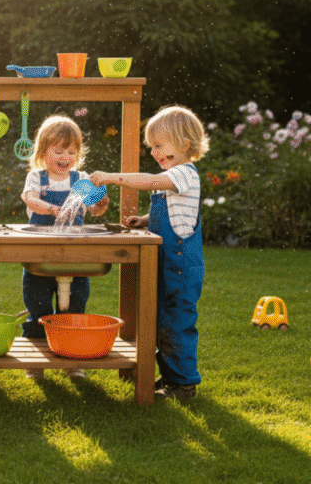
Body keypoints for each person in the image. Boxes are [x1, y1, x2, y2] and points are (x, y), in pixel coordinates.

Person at [89, 105, 209, 401]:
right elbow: (174, 210)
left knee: (177, 323)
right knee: (162, 321)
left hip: (181, 267)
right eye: (152, 147)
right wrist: (144, 220)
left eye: (159, 146)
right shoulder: (174, 176)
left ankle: (183, 385)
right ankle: (170, 376)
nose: (154, 152)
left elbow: (151, 181)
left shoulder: (185, 174)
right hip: (168, 263)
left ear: (184, 144)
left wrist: (111, 177)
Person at [20, 115, 109, 380]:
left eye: (71, 152)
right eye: (58, 151)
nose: (65, 157)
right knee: (38, 309)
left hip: (75, 256)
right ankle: (36, 362)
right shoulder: (37, 178)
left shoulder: (81, 179)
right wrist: (51, 208)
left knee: (74, 309)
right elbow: (31, 200)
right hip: (41, 256)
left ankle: (72, 360)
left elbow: (95, 210)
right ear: (42, 152)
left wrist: (101, 204)